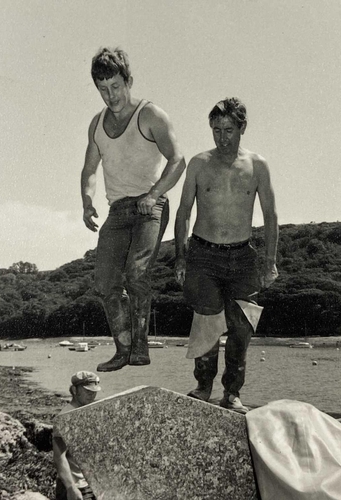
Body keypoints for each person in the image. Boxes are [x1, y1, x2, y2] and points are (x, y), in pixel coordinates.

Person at [81, 47, 186, 372]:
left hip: (150, 207)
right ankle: (122, 349)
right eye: (103, 89)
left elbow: (178, 160)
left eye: (115, 87)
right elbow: (89, 170)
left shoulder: (150, 114)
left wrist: (154, 194)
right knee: (104, 282)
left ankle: (141, 345)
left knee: (136, 274)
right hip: (117, 212)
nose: (110, 96)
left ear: (128, 81)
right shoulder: (97, 125)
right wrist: (87, 201)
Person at [174, 97, 279, 414]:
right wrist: (180, 257)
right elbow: (183, 213)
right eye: (216, 129)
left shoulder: (257, 166)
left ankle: (231, 394)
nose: (222, 137)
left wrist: (270, 261)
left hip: (243, 258)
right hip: (203, 256)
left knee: (241, 328)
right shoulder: (198, 163)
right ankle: (203, 388)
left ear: (242, 128)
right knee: (206, 326)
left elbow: (271, 216)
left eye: (229, 129)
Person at [53, 371, 102, 500]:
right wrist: (71, 488)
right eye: (87, 391)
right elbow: (59, 457)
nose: (92, 395)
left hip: (91, 485)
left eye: (94, 391)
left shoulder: (86, 414)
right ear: (74, 390)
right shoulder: (65, 418)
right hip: (75, 486)